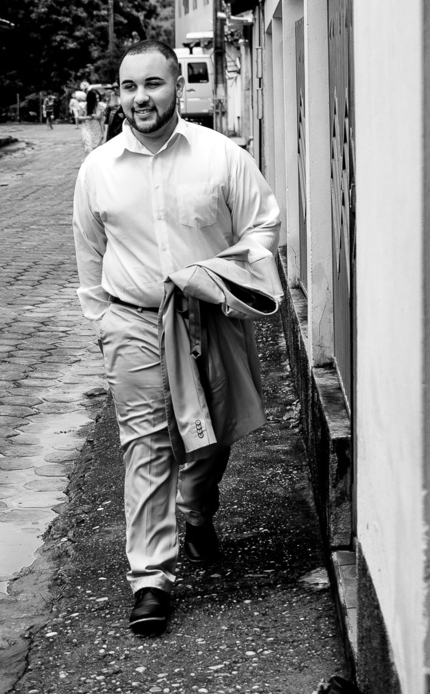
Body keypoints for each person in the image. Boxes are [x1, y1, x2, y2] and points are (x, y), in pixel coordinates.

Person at [71, 39, 280, 636]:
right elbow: (89, 249)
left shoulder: (221, 157)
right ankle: (151, 579)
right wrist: (103, 320)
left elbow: (263, 221)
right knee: (147, 445)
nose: (140, 97)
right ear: (119, 94)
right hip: (134, 321)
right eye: (129, 86)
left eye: (153, 84)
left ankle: (195, 510)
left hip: (209, 317)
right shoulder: (98, 170)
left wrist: (225, 272)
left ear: (177, 88)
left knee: (213, 438)